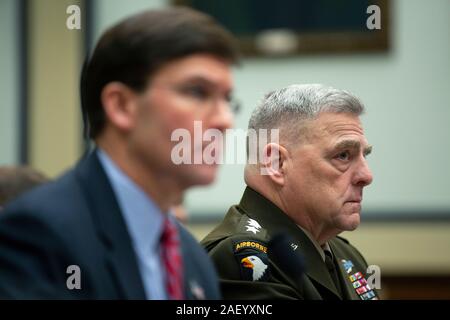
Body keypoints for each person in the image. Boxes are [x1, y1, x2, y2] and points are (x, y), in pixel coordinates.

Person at [0, 7, 239, 299]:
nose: (225, 120)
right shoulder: (39, 234)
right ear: (121, 106)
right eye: (198, 92)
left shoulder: (193, 260)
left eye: (227, 99)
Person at [201, 84, 379, 300]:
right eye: (343, 155)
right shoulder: (244, 257)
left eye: (364, 155)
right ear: (276, 164)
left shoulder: (346, 255)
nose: (366, 176)